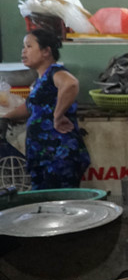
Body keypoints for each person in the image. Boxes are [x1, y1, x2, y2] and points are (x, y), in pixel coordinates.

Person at [1, 28, 90, 189]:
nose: (23, 51)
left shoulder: (55, 72)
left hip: (58, 154)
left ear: (46, 51)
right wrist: (5, 117)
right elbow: (29, 108)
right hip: (43, 155)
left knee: (59, 203)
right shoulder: (39, 81)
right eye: (23, 47)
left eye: (29, 46)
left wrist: (58, 115)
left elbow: (71, 84)